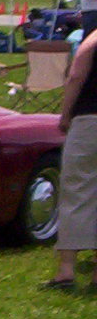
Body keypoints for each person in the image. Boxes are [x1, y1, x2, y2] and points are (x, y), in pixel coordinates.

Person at [49, 32, 97, 290]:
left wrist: (65, 114)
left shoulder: (93, 40)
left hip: (91, 119)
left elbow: (77, 75)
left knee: (77, 190)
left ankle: (66, 270)